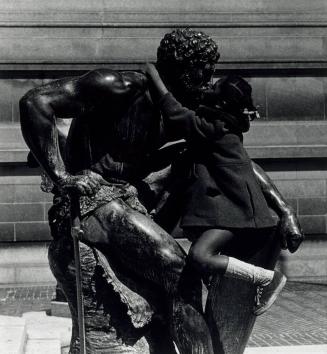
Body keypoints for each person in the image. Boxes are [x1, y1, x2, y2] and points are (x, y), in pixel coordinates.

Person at [20, 28, 303, 353]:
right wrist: (61, 176)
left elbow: (232, 158)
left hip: (130, 195)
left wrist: (285, 211)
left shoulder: (182, 108)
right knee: (177, 268)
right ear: (184, 68)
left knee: (193, 160)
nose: (209, 81)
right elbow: (35, 102)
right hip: (92, 199)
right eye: (204, 71)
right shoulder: (118, 86)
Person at [146, 63, 287, 315]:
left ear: (222, 104)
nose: (210, 87)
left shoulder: (213, 130)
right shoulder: (223, 126)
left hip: (235, 214)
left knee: (200, 255)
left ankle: (267, 279)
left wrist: (154, 75)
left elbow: (175, 112)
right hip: (231, 210)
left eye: (215, 88)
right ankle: (218, 282)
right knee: (198, 261)